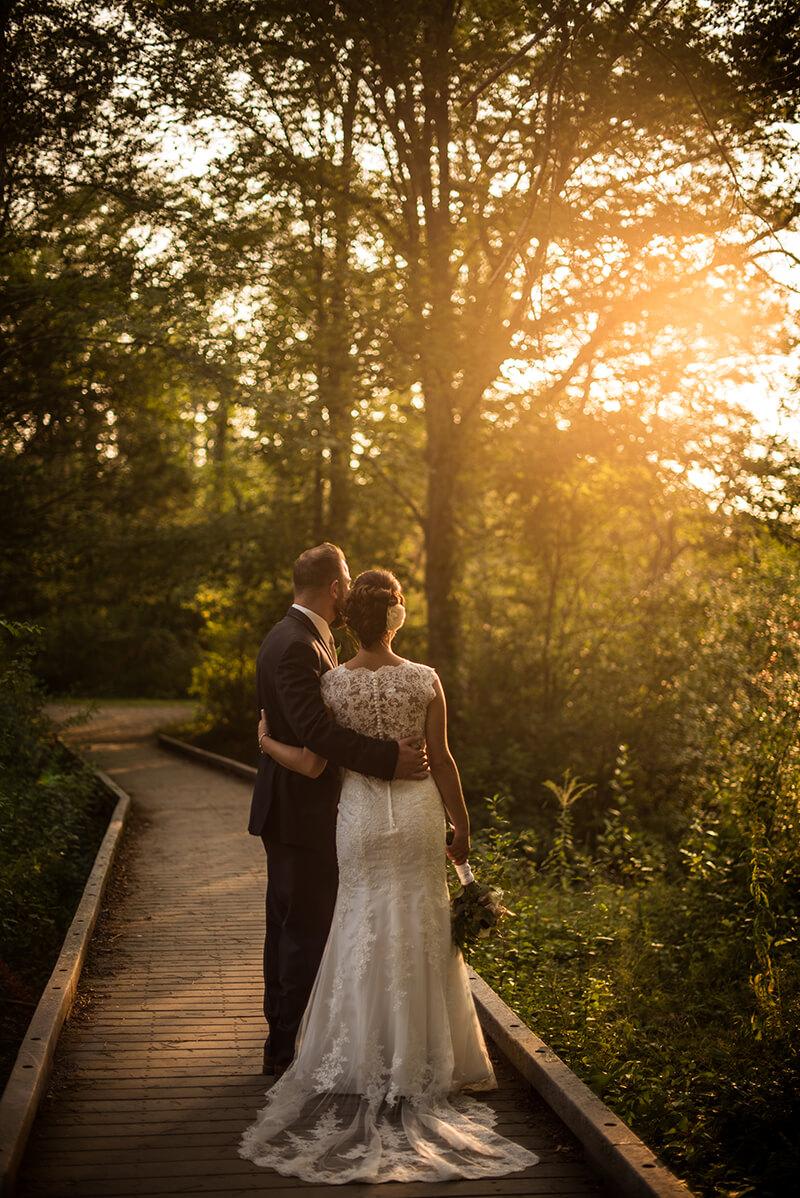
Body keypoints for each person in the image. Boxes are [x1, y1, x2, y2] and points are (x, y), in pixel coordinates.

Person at [239, 568, 541, 1183]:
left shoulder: (333, 685)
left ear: (355, 618)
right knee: (423, 925)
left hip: (359, 822)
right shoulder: (425, 680)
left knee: (358, 924)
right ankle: (426, 1060)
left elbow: (316, 755)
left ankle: (353, 1057)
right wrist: (462, 827)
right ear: (397, 617)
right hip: (418, 814)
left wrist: (268, 745)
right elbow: (445, 760)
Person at [248, 544, 430, 1077]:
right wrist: (386, 759)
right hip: (297, 816)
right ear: (334, 587)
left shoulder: (301, 638)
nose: (349, 594)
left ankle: (287, 1040)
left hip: (300, 812)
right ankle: (283, 1050)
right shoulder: (296, 646)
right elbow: (317, 734)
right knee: (300, 931)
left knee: (289, 928)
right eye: (346, 584)